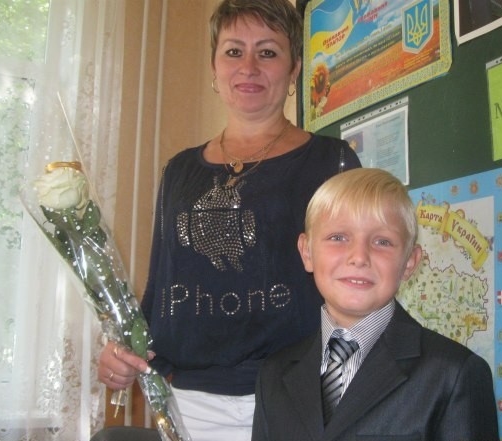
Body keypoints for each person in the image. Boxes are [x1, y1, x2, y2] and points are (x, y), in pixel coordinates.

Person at [97, 0, 361, 439]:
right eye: (234, 51)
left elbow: (358, 286)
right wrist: (126, 348)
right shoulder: (179, 170)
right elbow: (161, 287)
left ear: (294, 70)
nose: (249, 67)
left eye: (268, 52)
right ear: (214, 67)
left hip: (298, 398)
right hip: (191, 404)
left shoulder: (332, 161)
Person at [252, 168, 499, 441]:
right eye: (338, 237)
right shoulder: (273, 373)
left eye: (382, 241)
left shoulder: (454, 374)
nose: (359, 257)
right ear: (307, 252)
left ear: (409, 263)